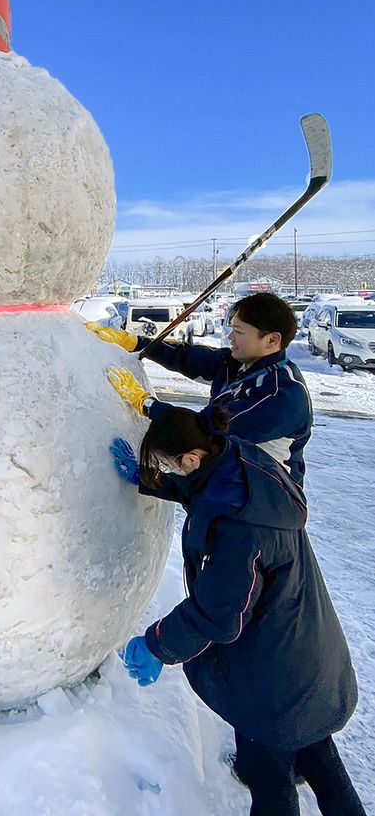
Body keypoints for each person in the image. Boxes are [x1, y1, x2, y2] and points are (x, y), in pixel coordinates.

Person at [108, 398, 365, 816]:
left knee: (271, 783)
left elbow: (220, 613)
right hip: (306, 652)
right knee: (316, 750)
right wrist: (151, 479)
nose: (168, 473)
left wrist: (157, 645)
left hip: (272, 678)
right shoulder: (239, 461)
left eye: (169, 466)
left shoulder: (237, 527)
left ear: (191, 458)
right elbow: (205, 493)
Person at [88, 292, 312, 485]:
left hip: (265, 503)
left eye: (239, 332)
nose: (230, 337)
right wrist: (135, 342)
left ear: (272, 340)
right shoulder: (237, 364)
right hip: (225, 487)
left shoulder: (281, 395)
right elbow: (185, 357)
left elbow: (205, 431)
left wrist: (145, 403)